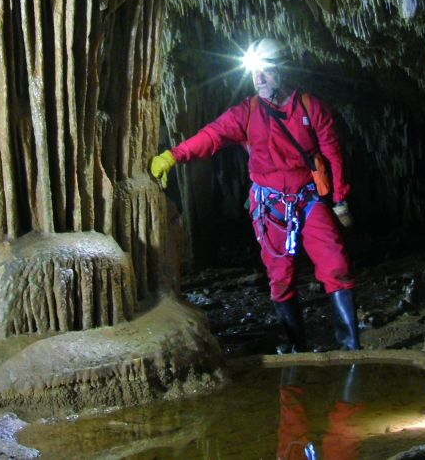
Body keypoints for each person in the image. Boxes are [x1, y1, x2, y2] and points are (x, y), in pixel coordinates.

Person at [149, 38, 359, 351]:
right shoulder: (247, 113)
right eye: (254, 72)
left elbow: (332, 152)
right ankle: (298, 347)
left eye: (265, 70)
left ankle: (351, 346)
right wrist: (173, 155)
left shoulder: (310, 107)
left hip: (308, 197)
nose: (258, 78)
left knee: (336, 262)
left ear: (283, 69)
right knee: (281, 276)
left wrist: (339, 199)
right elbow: (213, 135)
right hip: (271, 205)